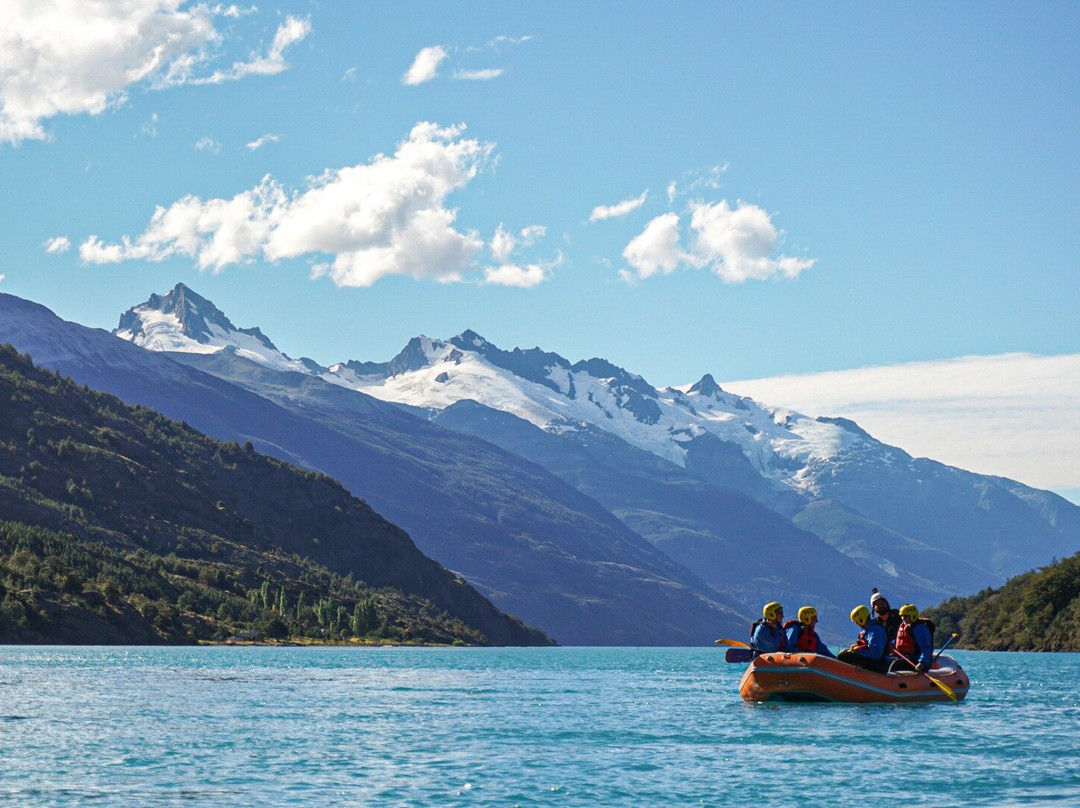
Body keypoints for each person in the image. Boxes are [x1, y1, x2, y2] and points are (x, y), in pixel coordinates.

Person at [836, 605, 889, 673]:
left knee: (844, 657)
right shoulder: (867, 630)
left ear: (861, 619)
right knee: (844, 654)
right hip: (872, 661)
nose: (857, 624)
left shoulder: (875, 630)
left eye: (857, 621)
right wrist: (850, 650)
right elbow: (865, 647)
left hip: (879, 664)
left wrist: (857, 651)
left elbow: (876, 654)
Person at [891, 604, 936, 673]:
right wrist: (891, 645)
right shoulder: (904, 626)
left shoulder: (920, 628)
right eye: (902, 616)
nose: (903, 618)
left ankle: (889, 679)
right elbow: (900, 641)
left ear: (913, 616)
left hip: (916, 660)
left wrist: (922, 662)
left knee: (896, 664)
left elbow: (926, 647)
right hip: (905, 657)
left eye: (905, 616)